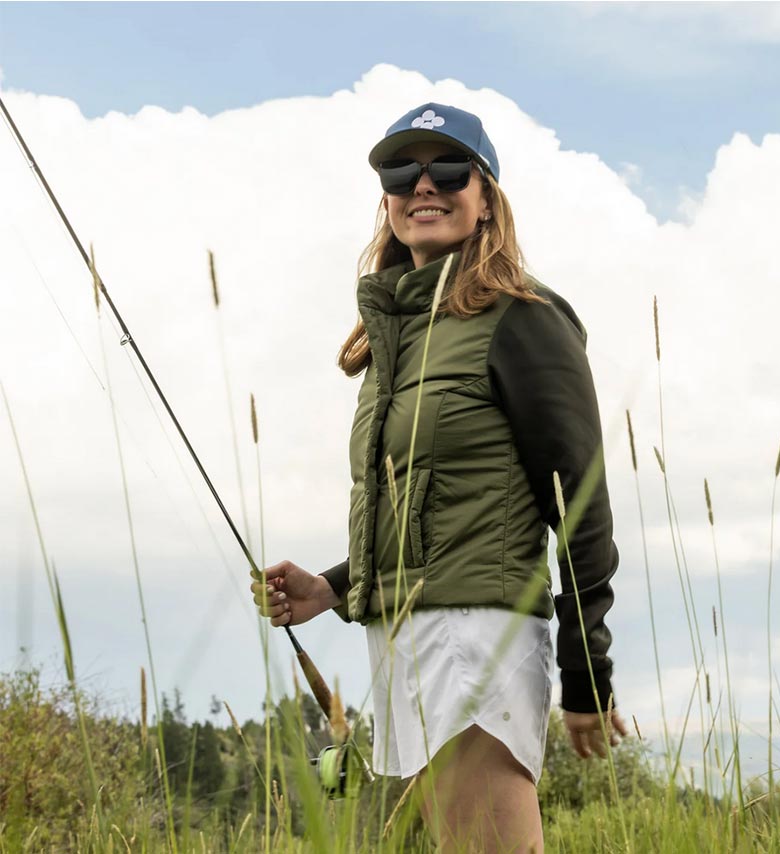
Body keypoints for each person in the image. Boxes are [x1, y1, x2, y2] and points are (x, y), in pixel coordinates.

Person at [252, 102, 627, 852]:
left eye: (448, 168)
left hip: (476, 639)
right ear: (387, 202)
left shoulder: (524, 318)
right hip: (406, 638)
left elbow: (579, 506)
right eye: (402, 172)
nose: (423, 185)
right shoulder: (399, 341)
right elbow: (425, 504)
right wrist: (335, 587)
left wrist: (587, 673)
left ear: (487, 197)